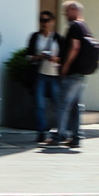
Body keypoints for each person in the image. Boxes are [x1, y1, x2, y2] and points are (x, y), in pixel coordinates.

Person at [50, 0, 99, 149]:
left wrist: (65, 66)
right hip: (81, 73)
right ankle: (76, 136)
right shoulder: (85, 27)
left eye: (66, 11)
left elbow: (75, 48)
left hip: (73, 72)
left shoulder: (75, 26)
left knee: (62, 104)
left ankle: (60, 135)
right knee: (75, 106)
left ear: (74, 11)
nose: (65, 14)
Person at [26, 10, 61, 139]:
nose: (44, 23)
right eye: (42, 20)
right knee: (39, 105)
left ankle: (59, 131)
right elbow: (28, 56)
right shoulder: (35, 37)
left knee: (57, 104)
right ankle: (41, 132)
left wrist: (56, 59)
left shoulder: (58, 38)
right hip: (39, 74)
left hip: (54, 74)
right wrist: (39, 56)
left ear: (53, 22)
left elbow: (64, 56)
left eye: (47, 20)